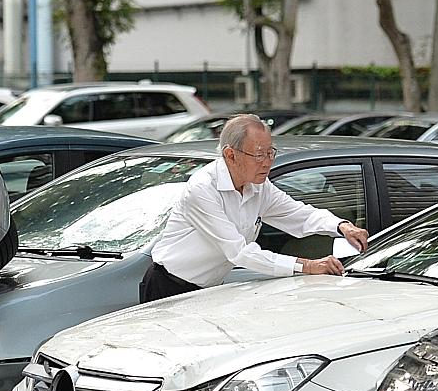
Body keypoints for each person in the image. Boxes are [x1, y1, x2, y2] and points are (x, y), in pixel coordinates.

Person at [140, 112, 369, 303]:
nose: (268, 161)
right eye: (259, 154)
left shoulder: (258, 186)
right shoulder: (202, 189)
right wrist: (307, 265)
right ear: (230, 155)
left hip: (209, 289)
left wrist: (341, 226)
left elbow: (297, 213)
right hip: (168, 286)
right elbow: (240, 253)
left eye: (271, 152)